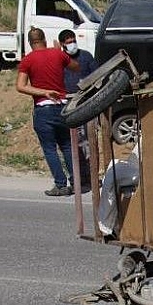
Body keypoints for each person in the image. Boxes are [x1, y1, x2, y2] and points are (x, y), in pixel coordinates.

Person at [16, 27, 80, 196]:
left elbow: (20, 86)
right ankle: (76, 182)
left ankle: (60, 185)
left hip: (43, 108)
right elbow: (75, 66)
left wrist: (43, 92)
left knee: (50, 148)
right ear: (44, 39)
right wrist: (61, 52)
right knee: (66, 145)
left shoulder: (27, 60)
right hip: (62, 106)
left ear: (30, 43)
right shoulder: (57, 54)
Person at [59, 29, 99, 192]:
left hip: (85, 103)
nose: (72, 44)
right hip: (67, 103)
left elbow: (96, 76)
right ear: (62, 44)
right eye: (68, 42)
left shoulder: (86, 57)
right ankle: (78, 178)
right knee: (72, 143)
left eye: (73, 40)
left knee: (88, 142)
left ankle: (92, 176)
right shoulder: (59, 60)